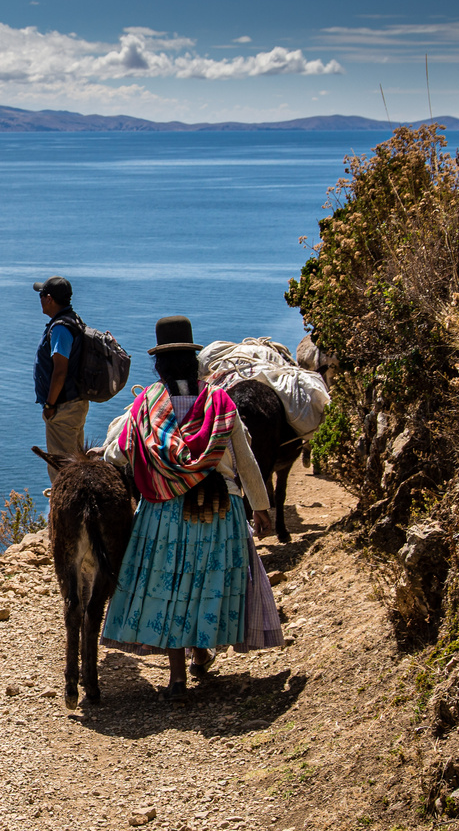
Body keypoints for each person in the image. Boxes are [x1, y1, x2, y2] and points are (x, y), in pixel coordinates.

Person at [99, 315, 279, 698]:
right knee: (206, 585)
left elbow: (120, 453)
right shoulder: (219, 402)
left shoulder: (148, 405)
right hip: (220, 511)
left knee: (172, 590)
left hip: (164, 512)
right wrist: (261, 508)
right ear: (194, 361)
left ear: (160, 365)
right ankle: (202, 656)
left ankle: (177, 677)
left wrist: (101, 454)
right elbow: (245, 460)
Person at [33, 276, 88, 485]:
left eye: (41, 296)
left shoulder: (60, 328)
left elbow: (59, 370)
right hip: (74, 403)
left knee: (62, 469)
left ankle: (65, 512)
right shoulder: (72, 320)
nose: (39, 300)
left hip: (63, 407)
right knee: (75, 463)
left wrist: (50, 404)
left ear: (49, 299)